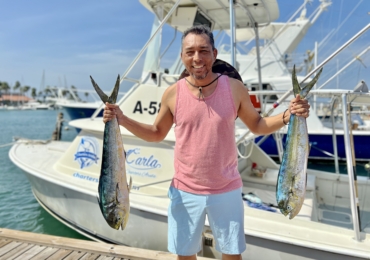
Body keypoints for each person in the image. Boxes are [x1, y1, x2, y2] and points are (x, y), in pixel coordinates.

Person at [103, 24, 310, 260]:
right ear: (182, 56)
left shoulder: (234, 88)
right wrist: (121, 119)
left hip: (227, 189)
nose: (197, 58)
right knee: (185, 255)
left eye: (203, 50)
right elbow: (156, 132)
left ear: (214, 54)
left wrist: (289, 114)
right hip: (184, 190)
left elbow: (257, 126)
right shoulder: (172, 93)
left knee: (232, 255)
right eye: (190, 52)